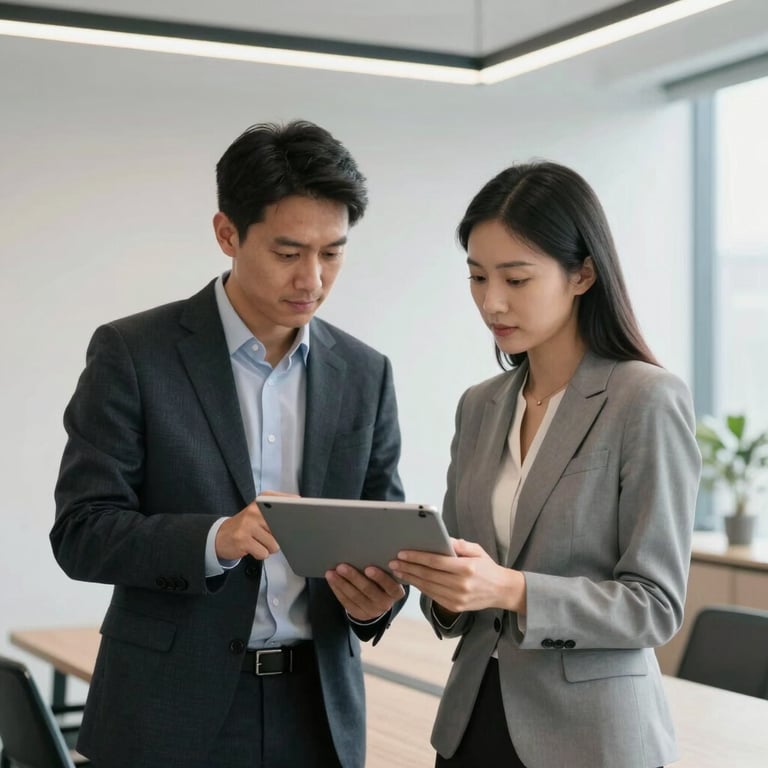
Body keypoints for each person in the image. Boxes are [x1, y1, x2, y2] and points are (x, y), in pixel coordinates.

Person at [51, 120, 408, 768]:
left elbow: (384, 528)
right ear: (226, 234)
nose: (313, 278)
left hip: (319, 715)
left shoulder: (366, 373)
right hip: (167, 713)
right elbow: (81, 531)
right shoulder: (134, 355)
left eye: (332, 252)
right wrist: (217, 539)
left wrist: (378, 600)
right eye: (288, 251)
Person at [391, 161, 701, 768]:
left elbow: (654, 605)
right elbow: (459, 592)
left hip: (589, 739)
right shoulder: (480, 406)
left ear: (583, 273)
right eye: (478, 278)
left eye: (517, 278)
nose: (492, 301)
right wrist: (448, 591)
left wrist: (509, 588)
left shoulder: (645, 398)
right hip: (472, 722)